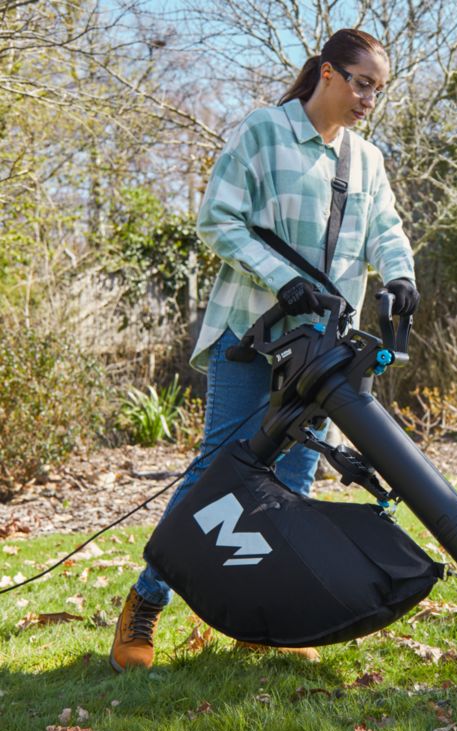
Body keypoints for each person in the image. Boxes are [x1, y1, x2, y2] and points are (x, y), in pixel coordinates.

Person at [110, 28, 419, 672]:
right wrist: (285, 279)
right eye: (361, 83)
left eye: (378, 90)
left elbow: (386, 231)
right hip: (250, 331)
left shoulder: (367, 161)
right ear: (328, 74)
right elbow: (217, 221)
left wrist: (399, 278)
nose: (368, 99)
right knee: (219, 471)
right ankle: (144, 605)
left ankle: (261, 618)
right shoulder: (263, 132)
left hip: (324, 347)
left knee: (294, 482)